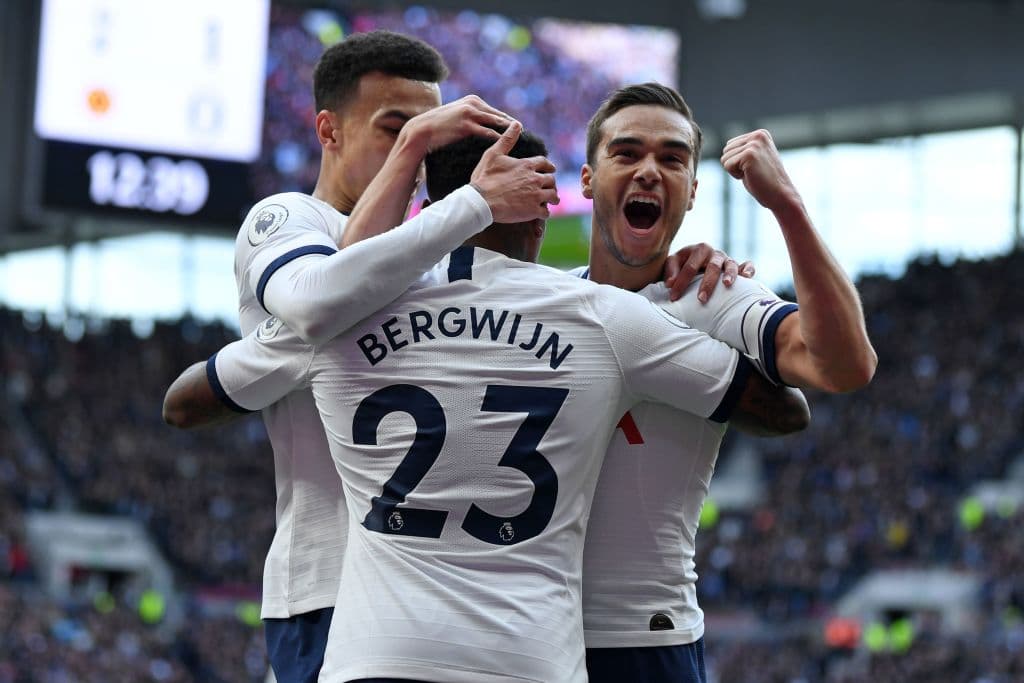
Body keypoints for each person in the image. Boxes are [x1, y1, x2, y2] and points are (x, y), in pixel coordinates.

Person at [184, 129, 805, 683]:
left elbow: (187, 401)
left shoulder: (339, 316)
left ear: (430, 209)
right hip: (527, 657)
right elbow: (782, 410)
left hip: (375, 658)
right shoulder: (603, 316)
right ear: (539, 216)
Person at [168, 30, 559, 683]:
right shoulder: (289, 219)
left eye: (430, 136)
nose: (418, 150)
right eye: (397, 129)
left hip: (440, 590)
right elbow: (322, 301)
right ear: (328, 130)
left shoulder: (429, 252)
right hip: (328, 583)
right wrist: (465, 199)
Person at [574, 82, 877, 682]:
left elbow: (845, 366)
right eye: (626, 153)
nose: (649, 171)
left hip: (642, 644)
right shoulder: (548, 299)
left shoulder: (712, 295)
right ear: (587, 179)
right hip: (528, 635)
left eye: (672, 159)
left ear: (691, 192)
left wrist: (787, 205)